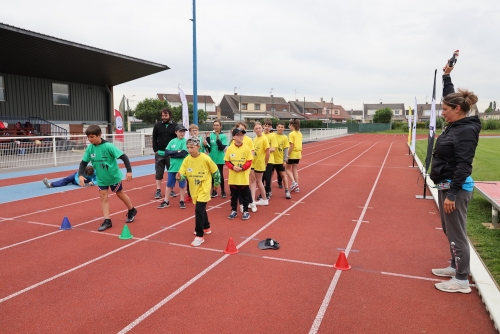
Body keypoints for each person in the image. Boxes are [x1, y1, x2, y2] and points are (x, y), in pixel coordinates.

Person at [430, 61, 481, 294]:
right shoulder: (456, 120)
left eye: (445, 110)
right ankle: (454, 266)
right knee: (448, 230)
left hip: (456, 188)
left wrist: (451, 193)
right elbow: (451, 96)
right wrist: (446, 77)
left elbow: (464, 165)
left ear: (457, 110)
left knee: (456, 233)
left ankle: (461, 280)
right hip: (445, 184)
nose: (442, 113)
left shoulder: (466, 131)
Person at [78, 125, 137, 232]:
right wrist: (80, 175)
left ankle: (132, 210)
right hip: (101, 178)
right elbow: (83, 163)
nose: (90, 139)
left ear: (99, 135)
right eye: (88, 137)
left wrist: (129, 171)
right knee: (103, 197)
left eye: (92, 137)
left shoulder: (109, 146)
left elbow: (124, 157)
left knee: (120, 194)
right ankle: (107, 220)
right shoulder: (90, 148)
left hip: (113, 177)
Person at [177, 137, 220, 247]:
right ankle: (206, 227)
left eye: (192, 147)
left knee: (198, 210)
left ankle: (199, 236)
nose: (189, 150)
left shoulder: (206, 158)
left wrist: (216, 184)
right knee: (201, 209)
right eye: (188, 147)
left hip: (204, 188)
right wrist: (179, 176)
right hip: (193, 188)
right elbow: (182, 174)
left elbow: (215, 172)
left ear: (199, 147)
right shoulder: (187, 159)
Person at [225, 127, 253, 220]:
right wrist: (233, 167)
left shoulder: (246, 148)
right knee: (234, 196)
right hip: (233, 177)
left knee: (245, 196)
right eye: (238, 135)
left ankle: (245, 211)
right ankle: (233, 211)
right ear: (233, 137)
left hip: (243, 177)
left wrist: (242, 168)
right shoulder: (230, 149)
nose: (241, 137)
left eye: (242, 135)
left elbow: (249, 161)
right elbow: (227, 161)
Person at [158, 125, 189, 209]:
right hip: (172, 168)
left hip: (181, 168)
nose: (182, 133)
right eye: (180, 131)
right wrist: (176, 152)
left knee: (182, 185)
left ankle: (182, 200)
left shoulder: (185, 142)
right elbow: (166, 152)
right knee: (169, 185)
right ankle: (166, 201)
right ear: (176, 132)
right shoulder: (172, 141)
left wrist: (173, 154)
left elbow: (183, 153)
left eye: (183, 131)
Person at [152, 108, 178, 199]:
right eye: (163, 115)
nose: (164, 117)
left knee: (171, 172)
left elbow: (177, 139)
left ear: (170, 115)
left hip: (170, 154)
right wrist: (155, 149)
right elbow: (154, 138)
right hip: (159, 153)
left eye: (166, 115)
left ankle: (171, 189)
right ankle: (158, 190)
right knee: (159, 172)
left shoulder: (175, 125)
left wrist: (174, 151)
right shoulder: (157, 126)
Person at [206, 119, 228, 198]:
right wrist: (207, 140)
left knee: (220, 175)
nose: (215, 127)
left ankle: (223, 191)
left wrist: (218, 140)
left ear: (220, 126)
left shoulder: (223, 136)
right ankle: (214, 191)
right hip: (212, 157)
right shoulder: (211, 135)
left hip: (219, 158)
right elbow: (208, 148)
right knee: (212, 175)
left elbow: (222, 147)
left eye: (217, 125)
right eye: (214, 125)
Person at [250, 121, 270, 206]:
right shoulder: (255, 139)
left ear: (262, 128)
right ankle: (253, 199)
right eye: (256, 128)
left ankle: (264, 199)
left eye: (259, 128)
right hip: (254, 163)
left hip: (260, 163)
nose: (258, 130)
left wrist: (265, 162)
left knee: (258, 181)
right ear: (254, 130)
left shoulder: (264, 138)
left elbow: (268, 152)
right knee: (253, 181)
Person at [274, 122, 292, 199]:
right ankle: (268, 191)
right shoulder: (273, 135)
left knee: (283, 175)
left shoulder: (285, 137)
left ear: (284, 128)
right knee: (269, 176)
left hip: (279, 160)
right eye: (279, 127)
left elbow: (285, 149)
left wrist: (285, 160)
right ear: (276, 127)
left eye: (282, 127)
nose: (280, 128)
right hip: (271, 160)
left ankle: (287, 190)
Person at [261, 119, 277, 200]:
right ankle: (262, 192)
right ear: (263, 126)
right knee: (261, 178)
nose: (267, 127)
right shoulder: (261, 135)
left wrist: (266, 149)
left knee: (267, 177)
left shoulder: (272, 136)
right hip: (261, 160)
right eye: (265, 126)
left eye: (268, 126)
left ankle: (267, 192)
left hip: (270, 160)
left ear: (271, 127)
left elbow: (273, 148)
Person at [286, 120, 303, 193]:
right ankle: (297, 186)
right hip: (298, 153)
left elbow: (291, 145)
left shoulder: (291, 134)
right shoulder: (300, 133)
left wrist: (287, 155)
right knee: (295, 170)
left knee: (287, 169)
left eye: (289, 125)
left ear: (292, 125)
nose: (288, 126)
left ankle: (294, 183)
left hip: (292, 154)